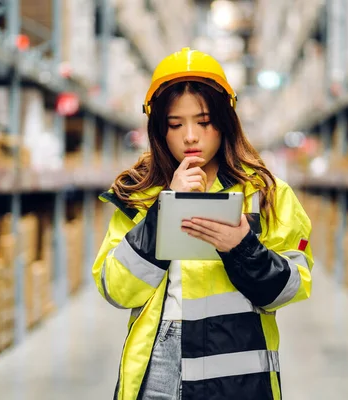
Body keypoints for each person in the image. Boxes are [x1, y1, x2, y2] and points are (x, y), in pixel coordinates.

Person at [92, 47, 314, 400]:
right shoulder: (139, 196)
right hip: (158, 373)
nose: (190, 136)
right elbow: (115, 289)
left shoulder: (266, 194)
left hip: (238, 374)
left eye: (204, 122)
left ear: (225, 122)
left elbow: (289, 289)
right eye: (176, 124)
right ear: (159, 129)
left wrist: (243, 248)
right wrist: (163, 212)